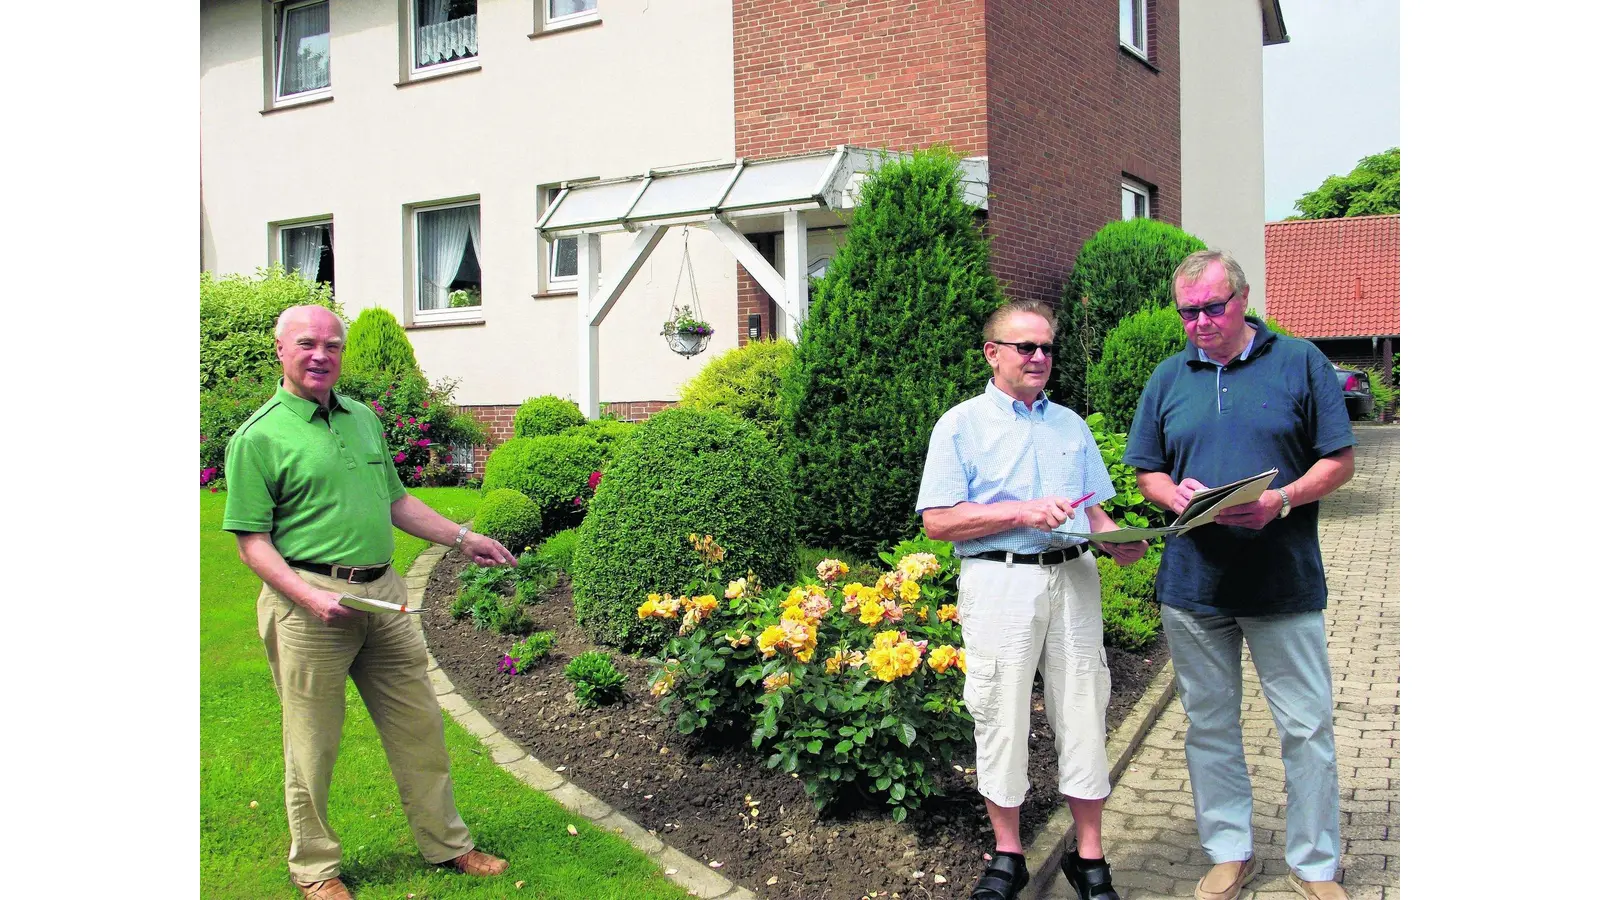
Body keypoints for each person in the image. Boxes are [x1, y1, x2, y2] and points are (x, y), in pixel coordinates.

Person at [224, 305, 519, 900]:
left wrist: (465, 538)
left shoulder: (361, 419)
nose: (320, 356)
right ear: (280, 349)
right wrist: (308, 596)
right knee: (312, 743)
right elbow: (252, 544)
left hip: (385, 595)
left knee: (420, 727)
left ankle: (448, 844)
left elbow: (396, 503)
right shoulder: (258, 438)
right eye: (307, 344)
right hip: (309, 603)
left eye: (332, 346)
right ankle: (315, 869)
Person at [1123, 250, 1356, 900]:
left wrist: (1281, 500)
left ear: (1243, 298)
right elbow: (1147, 468)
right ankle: (1230, 852)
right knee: (1210, 725)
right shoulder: (1169, 377)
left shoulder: (1300, 361)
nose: (1199, 322)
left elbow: (1339, 462)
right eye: (1187, 312)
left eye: (1212, 308)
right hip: (1194, 590)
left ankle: (1315, 865)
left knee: (1306, 727)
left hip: (1282, 583)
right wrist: (1173, 497)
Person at [917, 299, 1149, 900]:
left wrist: (1120, 543)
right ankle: (1008, 856)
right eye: (1027, 347)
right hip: (1001, 581)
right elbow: (938, 521)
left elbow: (1094, 511)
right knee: (1001, 711)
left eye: (1047, 347)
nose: (1040, 357)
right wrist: (1019, 511)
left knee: (1083, 706)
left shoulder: (1070, 425)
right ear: (993, 353)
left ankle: (1089, 857)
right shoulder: (960, 425)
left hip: (1074, 578)